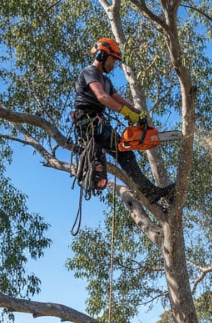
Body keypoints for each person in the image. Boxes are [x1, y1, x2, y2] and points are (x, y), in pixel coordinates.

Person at [73, 38, 175, 205]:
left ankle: (150, 192)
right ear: (101, 55)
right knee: (98, 161)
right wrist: (127, 113)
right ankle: (94, 177)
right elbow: (102, 97)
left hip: (99, 124)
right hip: (87, 122)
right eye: (112, 60)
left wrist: (137, 114)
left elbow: (119, 100)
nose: (113, 65)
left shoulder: (106, 81)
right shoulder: (89, 72)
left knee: (125, 152)